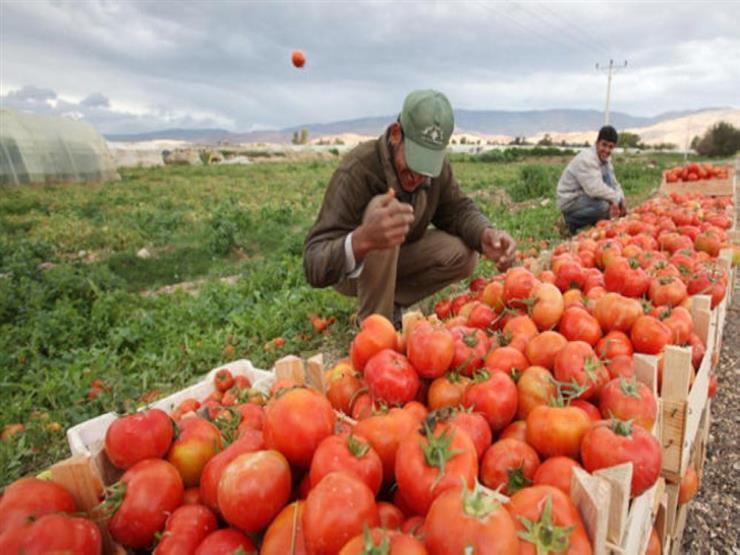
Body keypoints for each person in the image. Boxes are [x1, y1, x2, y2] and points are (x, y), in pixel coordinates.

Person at [303, 89, 516, 327]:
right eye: (413, 164)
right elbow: (314, 262)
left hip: (401, 258)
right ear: (396, 134)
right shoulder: (357, 170)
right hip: (353, 270)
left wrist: (485, 233)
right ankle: (375, 326)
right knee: (385, 211)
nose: (416, 177)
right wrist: (362, 239)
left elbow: (456, 209)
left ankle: (391, 303)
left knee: (463, 253)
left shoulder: (436, 170)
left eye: (426, 168)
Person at [556, 125, 627, 234]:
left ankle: (594, 223)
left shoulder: (606, 160)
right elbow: (595, 189)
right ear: (597, 142)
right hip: (571, 199)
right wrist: (615, 199)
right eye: (604, 145)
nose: (607, 150)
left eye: (610, 147)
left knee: (609, 202)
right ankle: (568, 222)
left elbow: (614, 183)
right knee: (603, 207)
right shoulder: (587, 159)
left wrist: (621, 199)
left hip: (586, 196)